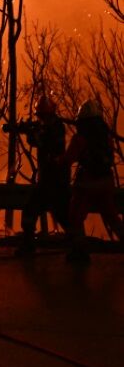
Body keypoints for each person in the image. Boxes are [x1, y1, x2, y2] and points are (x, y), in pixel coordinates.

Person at [5, 95, 71, 256]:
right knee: (60, 214)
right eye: (39, 115)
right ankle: (77, 246)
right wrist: (19, 128)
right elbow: (37, 133)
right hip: (51, 179)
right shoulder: (47, 125)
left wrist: (31, 134)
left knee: (32, 209)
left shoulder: (56, 128)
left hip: (54, 179)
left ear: (49, 114)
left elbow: (42, 142)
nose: (40, 118)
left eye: (42, 115)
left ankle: (29, 246)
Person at [61, 100, 124, 263]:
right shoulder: (106, 137)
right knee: (111, 216)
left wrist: (55, 161)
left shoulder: (80, 138)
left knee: (75, 216)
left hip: (87, 184)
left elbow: (68, 159)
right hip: (106, 182)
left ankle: (80, 251)